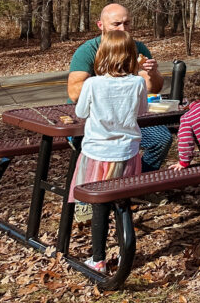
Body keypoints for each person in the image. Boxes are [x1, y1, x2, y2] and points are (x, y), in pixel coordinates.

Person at [68, 30, 148, 273]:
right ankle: (125, 255)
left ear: (101, 55)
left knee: (100, 205)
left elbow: (81, 113)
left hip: (97, 153)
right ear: (132, 57)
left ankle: (98, 258)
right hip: (127, 152)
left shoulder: (92, 83)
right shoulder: (137, 82)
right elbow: (142, 111)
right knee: (122, 202)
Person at [68, 3, 172, 171]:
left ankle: (135, 184)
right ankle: (96, 190)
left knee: (161, 139)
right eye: (116, 24)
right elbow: (74, 93)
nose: (123, 29)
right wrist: (112, 82)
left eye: (127, 23)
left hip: (126, 118)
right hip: (93, 120)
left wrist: (152, 73)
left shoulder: (138, 48)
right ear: (100, 25)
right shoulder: (88, 51)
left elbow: (153, 88)